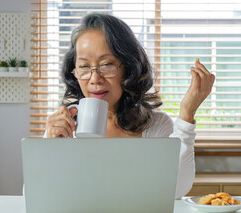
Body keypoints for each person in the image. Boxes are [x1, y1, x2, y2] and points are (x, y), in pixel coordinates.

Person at [44, 13, 215, 199]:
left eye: (107, 64)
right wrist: (50, 148)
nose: (94, 79)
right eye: (84, 67)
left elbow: (176, 190)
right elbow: (36, 196)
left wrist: (187, 114)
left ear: (129, 68)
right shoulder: (62, 128)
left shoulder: (156, 126)